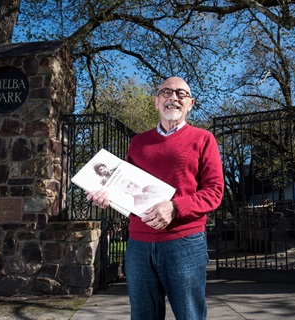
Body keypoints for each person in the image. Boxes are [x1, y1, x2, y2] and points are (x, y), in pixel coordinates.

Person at [86, 76, 224, 320]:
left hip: (185, 243)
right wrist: (107, 196)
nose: (173, 98)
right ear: (156, 101)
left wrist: (175, 207)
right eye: (166, 92)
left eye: (181, 94)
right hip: (138, 244)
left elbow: (214, 192)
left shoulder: (203, 139)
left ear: (190, 103)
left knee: (190, 316)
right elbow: (125, 188)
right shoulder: (138, 143)